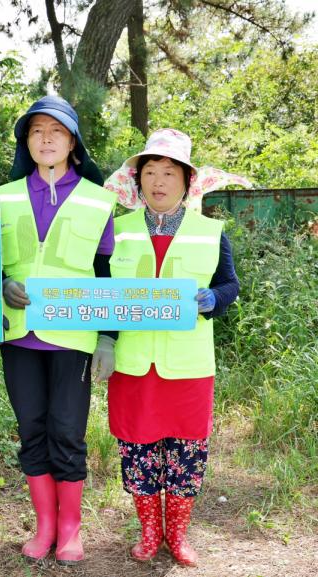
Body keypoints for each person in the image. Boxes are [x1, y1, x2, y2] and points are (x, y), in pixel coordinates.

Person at [100, 128, 241, 566]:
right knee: (139, 451)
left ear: (186, 181)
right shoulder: (117, 231)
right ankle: (148, 532)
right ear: (138, 180)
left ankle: (178, 536)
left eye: (169, 172)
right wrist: (104, 340)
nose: (158, 181)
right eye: (150, 172)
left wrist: (213, 299)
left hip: (188, 365)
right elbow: (100, 291)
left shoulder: (210, 231)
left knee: (185, 452)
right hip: (134, 363)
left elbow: (230, 285)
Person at [0, 95, 116, 565]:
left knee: (67, 431)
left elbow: (106, 273)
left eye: (57, 131)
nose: (46, 138)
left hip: (74, 335)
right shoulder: (0, 197)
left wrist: (108, 337)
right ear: (27, 141)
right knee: (32, 430)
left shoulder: (98, 199)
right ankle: (43, 527)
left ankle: (70, 530)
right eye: (37, 130)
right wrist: (1, 282)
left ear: (74, 145)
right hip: (18, 334)